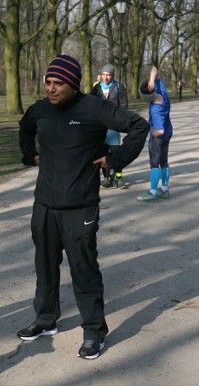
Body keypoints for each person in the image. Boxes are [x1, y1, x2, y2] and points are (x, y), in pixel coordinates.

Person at [17, 54, 148, 360]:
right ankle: (45, 318)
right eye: (48, 82)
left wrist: (115, 161)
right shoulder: (40, 109)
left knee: (84, 270)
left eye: (58, 83)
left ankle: (94, 332)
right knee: (44, 265)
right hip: (45, 205)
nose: (51, 88)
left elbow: (138, 126)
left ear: (72, 84)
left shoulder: (93, 108)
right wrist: (30, 155)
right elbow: (25, 127)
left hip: (80, 206)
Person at [136, 66, 174, 202]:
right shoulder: (161, 90)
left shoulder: (155, 110)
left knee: (154, 163)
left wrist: (152, 130)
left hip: (159, 137)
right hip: (169, 133)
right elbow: (154, 68)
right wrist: (152, 80)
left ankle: (152, 192)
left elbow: (160, 131)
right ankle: (164, 189)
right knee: (164, 162)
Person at [90, 64, 129, 189]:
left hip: (113, 125)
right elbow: (91, 105)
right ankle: (106, 178)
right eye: (104, 74)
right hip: (100, 126)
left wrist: (120, 121)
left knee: (115, 151)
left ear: (112, 75)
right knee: (103, 152)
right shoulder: (96, 88)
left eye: (108, 75)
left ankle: (119, 177)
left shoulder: (119, 86)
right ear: (101, 75)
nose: (106, 77)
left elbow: (124, 106)